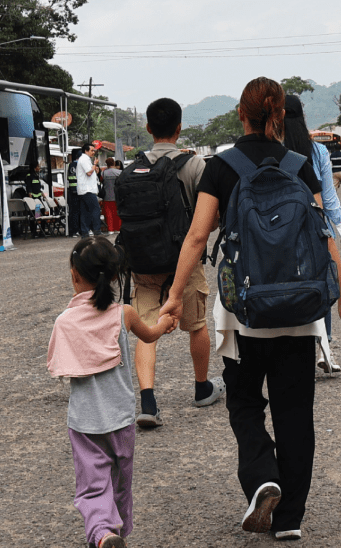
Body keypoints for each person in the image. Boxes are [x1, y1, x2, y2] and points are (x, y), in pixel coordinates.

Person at [158, 77, 341, 541]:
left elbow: (196, 237)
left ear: (240, 115)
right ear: (277, 116)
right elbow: (323, 234)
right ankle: (289, 518)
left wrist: (173, 295)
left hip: (242, 317)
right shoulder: (299, 164)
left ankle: (261, 475)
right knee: (296, 413)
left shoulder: (221, 167)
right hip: (299, 312)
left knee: (245, 403)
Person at [48, 236, 176, 548]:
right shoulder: (125, 313)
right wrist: (165, 322)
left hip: (85, 422)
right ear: (115, 275)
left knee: (93, 485)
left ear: (75, 276)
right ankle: (117, 535)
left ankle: (103, 534)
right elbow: (150, 334)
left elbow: (60, 369)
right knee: (120, 482)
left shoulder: (65, 322)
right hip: (121, 419)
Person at [130, 97, 226, 429]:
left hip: (143, 264)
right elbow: (210, 218)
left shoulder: (135, 166)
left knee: (146, 331)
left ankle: (148, 401)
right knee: (196, 326)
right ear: (179, 128)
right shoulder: (195, 165)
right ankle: (202, 387)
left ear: (147, 129)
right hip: (185, 263)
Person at [283, 94, 341, 374]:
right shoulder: (316, 152)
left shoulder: (273, 151)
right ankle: (324, 348)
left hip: (279, 232)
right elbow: (329, 199)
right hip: (313, 230)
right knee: (322, 284)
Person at [76, 143, 102, 236]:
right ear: (86, 151)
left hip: (84, 189)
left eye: (94, 150)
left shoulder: (85, 159)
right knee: (95, 210)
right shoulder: (84, 159)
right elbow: (89, 173)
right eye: (91, 150)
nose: (93, 152)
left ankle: (85, 232)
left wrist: (95, 168)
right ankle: (96, 230)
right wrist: (94, 165)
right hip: (87, 190)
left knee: (85, 212)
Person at [24, 162, 48, 238]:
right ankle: (33, 232)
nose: (39, 168)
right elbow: (29, 188)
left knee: (41, 214)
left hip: (38, 199)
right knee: (34, 216)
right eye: (38, 166)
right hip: (33, 199)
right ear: (34, 168)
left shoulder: (36, 176)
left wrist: (43, 194)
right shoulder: (29, 176)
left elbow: (38, 187)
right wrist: (30, 198)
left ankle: (42, 231)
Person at [101, 158, 122, 234]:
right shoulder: (119, 172)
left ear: (107, 164)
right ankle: (118, 228)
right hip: (117, 195)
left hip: (107, 196)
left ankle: (110, 229)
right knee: (117, 212)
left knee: (108, 213)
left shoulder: (104, 173)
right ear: (113, 163)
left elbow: (101, 182)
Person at [67, 149, 81, 237]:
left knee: (73, 212)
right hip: (79, 191)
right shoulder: (79, 165)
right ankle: (77, 230)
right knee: (78, 212)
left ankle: (73, 231)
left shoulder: (70, 165)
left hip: (71, 191)